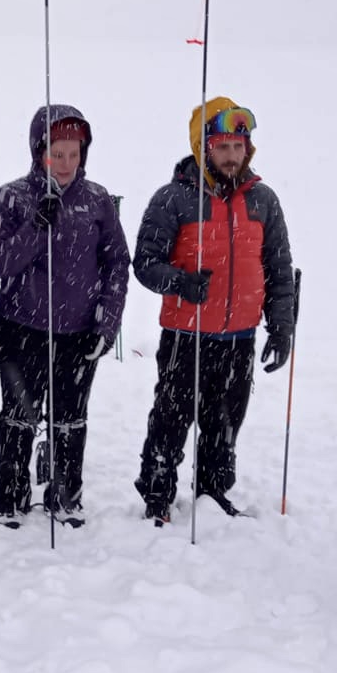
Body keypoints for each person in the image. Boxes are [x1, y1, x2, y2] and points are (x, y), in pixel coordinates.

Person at [131, 97, 296, 523]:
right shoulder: (174, 199)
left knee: (225, 425)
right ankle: (157, 495)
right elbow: (145, 264)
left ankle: (213, 495)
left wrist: (281, 327)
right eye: (222, 147)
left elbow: (278, 269)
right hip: (187, 336)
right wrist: (182, 282)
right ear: (203, 148)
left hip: (240, 336)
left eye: (239, 146)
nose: (232, 156)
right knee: (170, 419)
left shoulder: (263, 200)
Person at [0, 104, 129, 528]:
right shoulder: (14, 196)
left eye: (73, 153)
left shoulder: (98, 201)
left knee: (70, 421)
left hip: (78, 333)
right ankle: (9, 497)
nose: (65, 163)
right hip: (21, 327)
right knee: (19, 417)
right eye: (56, 154)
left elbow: (118, 262)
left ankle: (65, 497)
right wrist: (35, 227)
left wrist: (107, 322)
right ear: (38, 152)